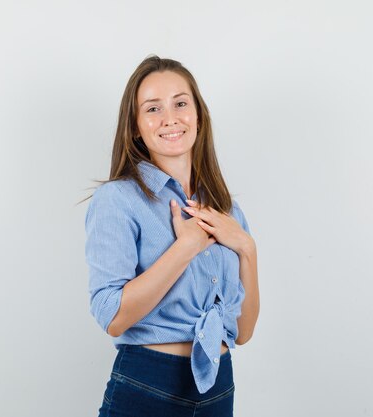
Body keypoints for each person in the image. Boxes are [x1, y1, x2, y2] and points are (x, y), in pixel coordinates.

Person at [83, 55, 260, 417]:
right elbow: (112, 316)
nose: (170, 118)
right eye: (152, 109)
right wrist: (186, 247)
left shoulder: (226, 211)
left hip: (218, 387)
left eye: (180, 103)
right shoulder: (118, 199)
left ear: (198, 114)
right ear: (135, 127)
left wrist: (247, 247)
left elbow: (242, 333)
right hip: (148, 385)